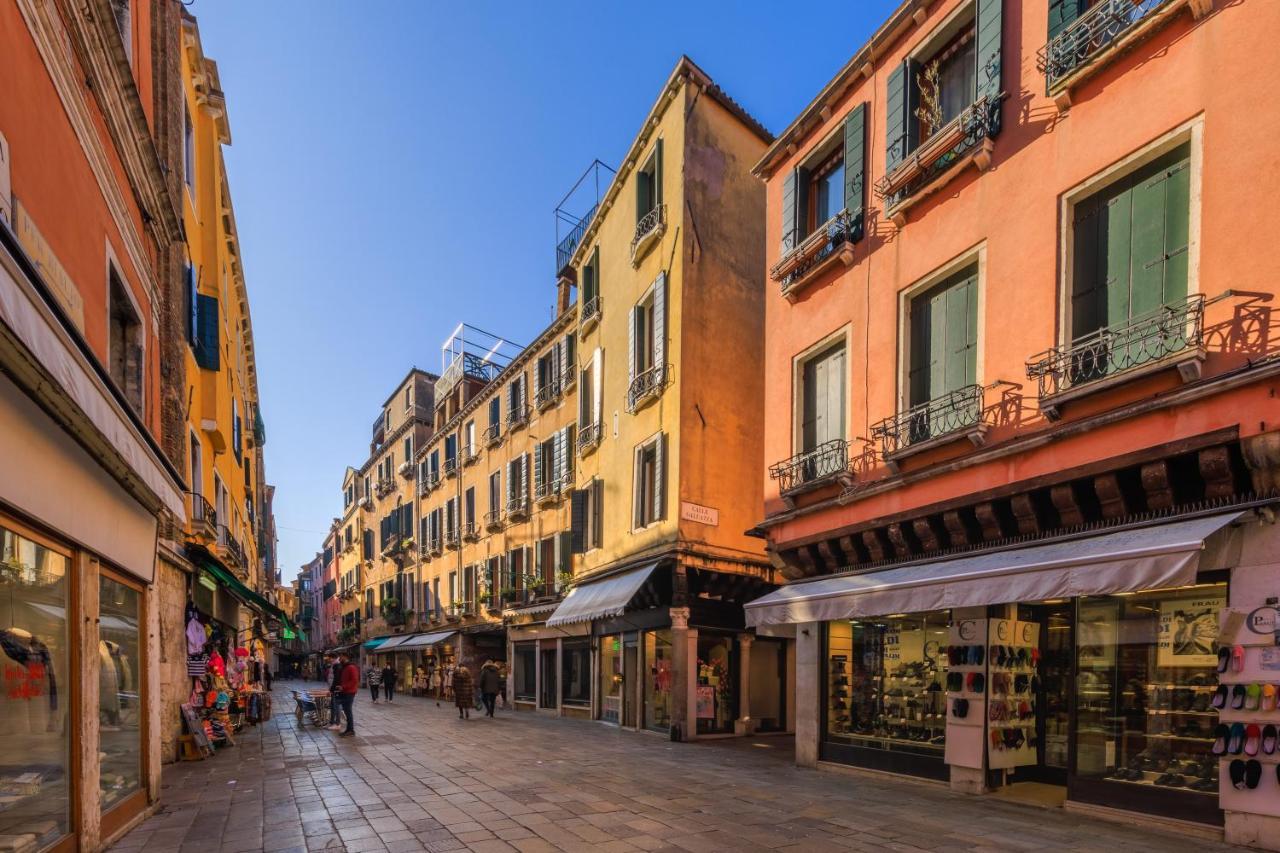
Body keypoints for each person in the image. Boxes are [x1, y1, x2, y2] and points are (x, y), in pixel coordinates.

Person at [337, 651, 359, 737]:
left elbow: (354, 680)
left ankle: (351, 730)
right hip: (345, 691)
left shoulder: (351, 667)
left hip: (349, 692)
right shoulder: (344, 667)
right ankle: (349, 730)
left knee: (348, 711)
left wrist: (344, 687)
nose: (339, 658)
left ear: (345, 657)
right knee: (346, 711)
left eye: (341, 656)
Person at [327, 655, 345, 731]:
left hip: (336, 689)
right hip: (334, 688)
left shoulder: (337, 665)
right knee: (333, 706)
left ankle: (337, 724)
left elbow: (336, 679)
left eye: (330, 658)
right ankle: (332, 722)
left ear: (333, 658)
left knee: (336, 706)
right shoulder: (334, 665)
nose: (329, 660)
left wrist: (331, 689)